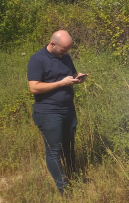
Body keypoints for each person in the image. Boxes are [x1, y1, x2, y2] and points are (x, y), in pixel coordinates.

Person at [27, 30, 87, 194]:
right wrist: (61, 83)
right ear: (52, 44)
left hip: (68, 109)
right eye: (63, 50)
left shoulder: (65, 57)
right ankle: (63, 188)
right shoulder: (37, 59)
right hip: (48, 112)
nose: (66, 53)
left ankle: (72, 176)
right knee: (53, 150)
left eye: (68, 50)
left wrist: (77, 77)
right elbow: (34, 87)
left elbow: (71, 74)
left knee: (69, 146)